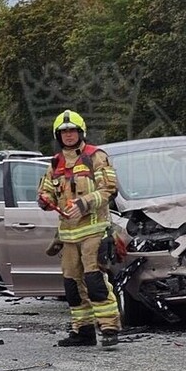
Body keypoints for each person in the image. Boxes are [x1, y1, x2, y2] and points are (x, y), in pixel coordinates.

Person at [37, 110, 122, 348]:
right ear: (58, 135)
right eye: (64, 132)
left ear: (80, 132)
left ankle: (109, 326)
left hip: (94, 230)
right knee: (71, 285)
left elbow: (109, 190)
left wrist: (84, 203)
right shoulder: (55, 163)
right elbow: (47, 192)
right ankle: (83, 331)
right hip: (68, 235)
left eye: (72, 131)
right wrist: (44, 199)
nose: (68, 135)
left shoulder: (95, 157)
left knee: (94, 279)